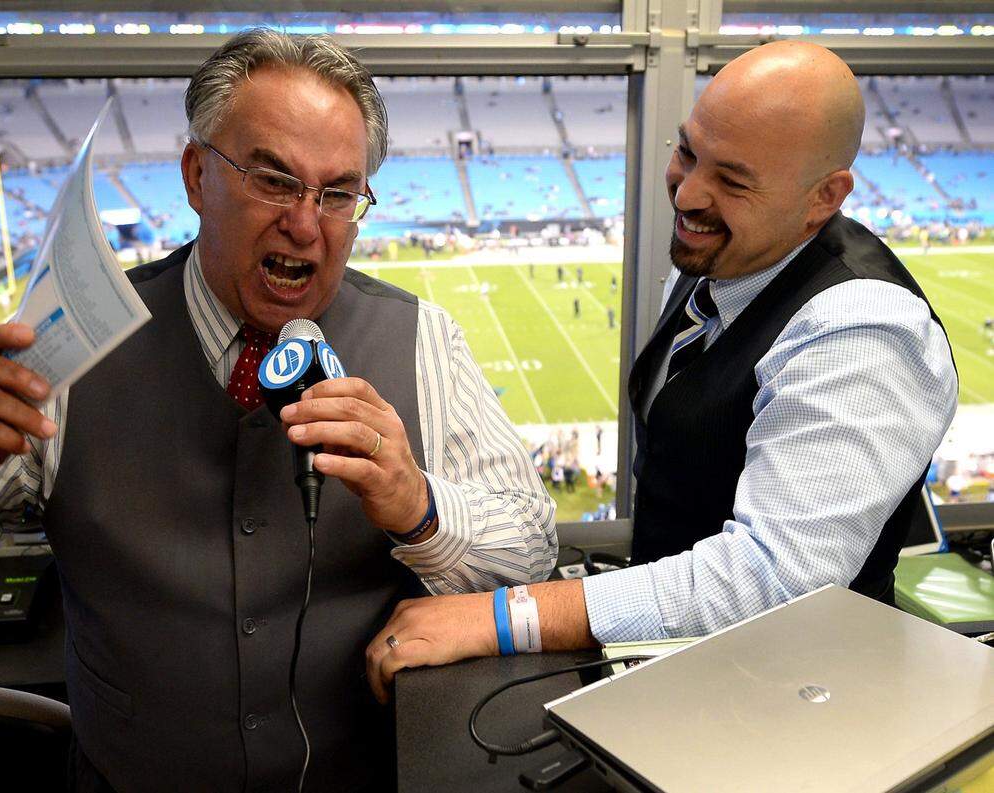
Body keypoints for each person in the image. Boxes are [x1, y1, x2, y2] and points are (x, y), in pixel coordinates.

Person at [0, 30, 556, 792]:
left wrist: (420, 507)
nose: (306, 223)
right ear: (195, 177)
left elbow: (532, 548)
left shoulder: (423, 340)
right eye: (273, 179)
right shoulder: (71, 344)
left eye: (338, 193)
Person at [363, 40, 957, 704]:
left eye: (733, 180)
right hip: (684, 667)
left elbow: (774, 575)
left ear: (824, 197)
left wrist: (507, 614)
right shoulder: (727, 256)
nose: (689, 191)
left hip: (789, 700)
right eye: (686, 151)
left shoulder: (862, 326)